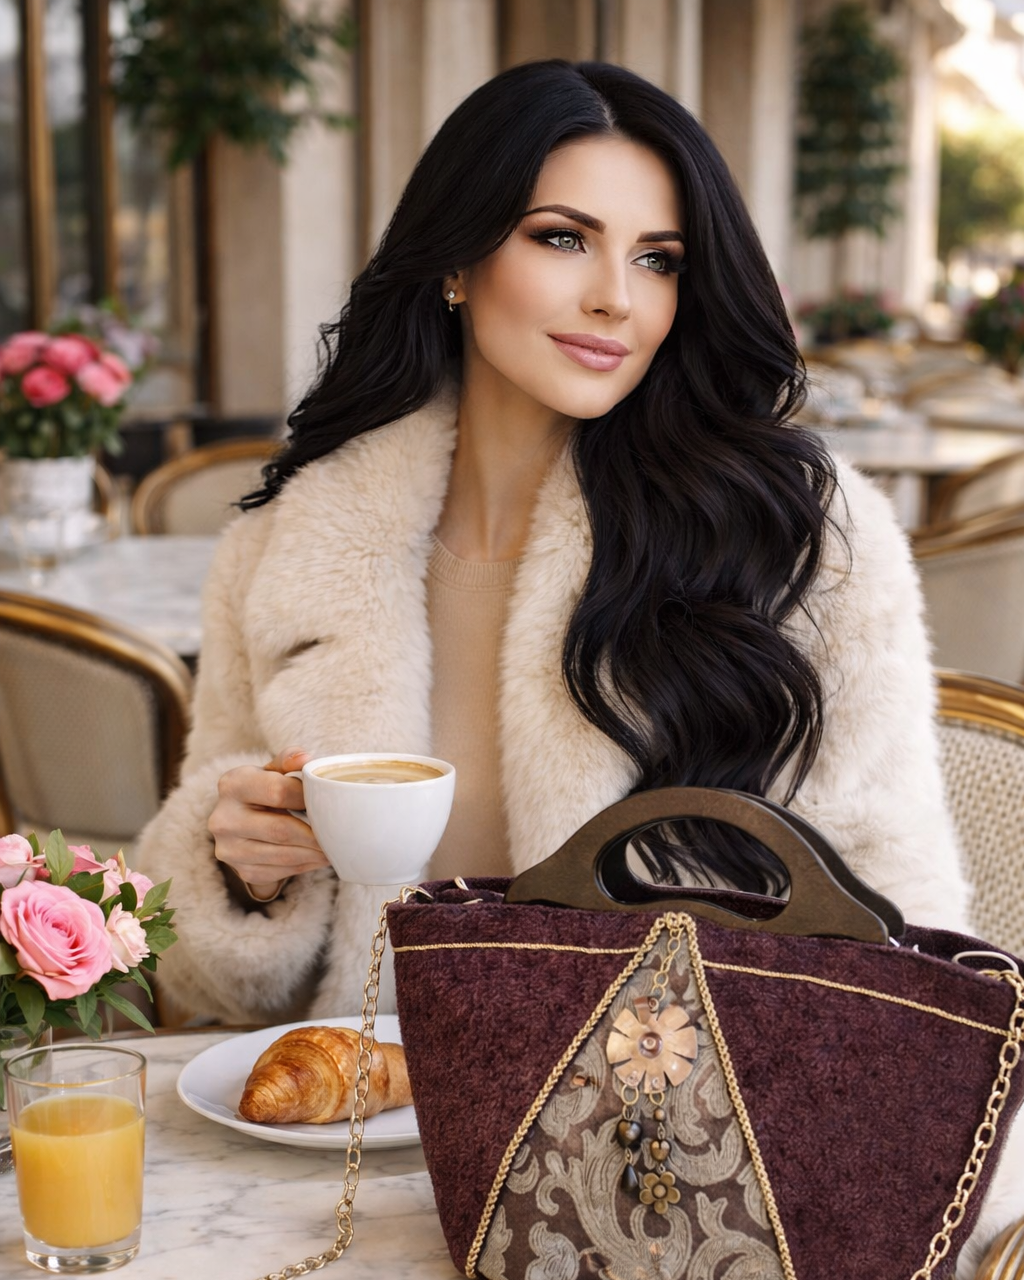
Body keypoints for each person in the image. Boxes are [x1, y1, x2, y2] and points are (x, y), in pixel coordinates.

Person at [138, 59, 967, 1028]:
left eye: (658, 259)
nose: (617, 297)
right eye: (564, 239)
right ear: (455, 261)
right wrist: (243, 878)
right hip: (359, 1141)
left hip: (666, 1153)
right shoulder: (285, 548)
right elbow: (203, 991)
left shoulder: (799, 545)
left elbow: (900, 934)